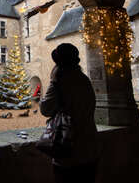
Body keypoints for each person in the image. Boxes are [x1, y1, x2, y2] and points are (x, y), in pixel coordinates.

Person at [40, 43, 99, 183]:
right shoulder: (84, 80)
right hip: (90, 147)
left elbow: (45, 109)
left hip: (68, 148)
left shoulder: (59, 82)